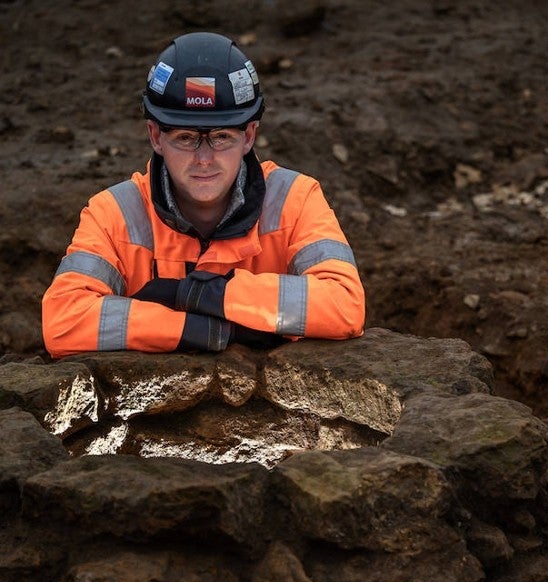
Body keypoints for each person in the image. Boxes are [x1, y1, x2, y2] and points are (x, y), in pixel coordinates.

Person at [42, 32, 365, 358]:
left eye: (222, 137)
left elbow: (345, 304)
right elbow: (62, 321)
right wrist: (198, 330)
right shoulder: (113, 213)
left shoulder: (295, 199)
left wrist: (202, 295)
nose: (204, 158)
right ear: (155, 136)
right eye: (185, 137)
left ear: (249, 135)